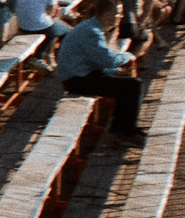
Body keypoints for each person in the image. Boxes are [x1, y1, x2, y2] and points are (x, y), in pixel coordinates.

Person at [55, 11, 145, 141]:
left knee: (126, 86)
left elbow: (95, 60)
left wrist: (113, 72)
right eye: (117, 14)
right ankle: (126, 132)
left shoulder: (89, 27)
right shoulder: (92, 31)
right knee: (133, 85)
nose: (119, 17)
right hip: (76, 81)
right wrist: (128, 56)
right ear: (106, 14)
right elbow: (108, 60)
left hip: (79, 76)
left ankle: (122, 129)